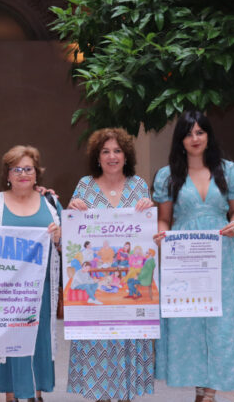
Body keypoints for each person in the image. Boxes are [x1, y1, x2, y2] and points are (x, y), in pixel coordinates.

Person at [152, 111, 234, 402]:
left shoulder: (229, 170)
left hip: (221, 254)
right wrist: (163, 235)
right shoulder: (168, 175)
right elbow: (164, 218)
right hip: (184, 257)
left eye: (200, 132)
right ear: (180, 140)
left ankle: (209, 393)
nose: (195, 138)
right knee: (189, 320)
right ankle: (199, 389)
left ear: (208, 135)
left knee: (220, 320)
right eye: (188, 133)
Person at [65, 127, 155, 402]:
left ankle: (125, 396)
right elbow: (71, 229)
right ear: (97, 157)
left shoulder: (139, 186)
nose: (112, 156)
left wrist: (149, 209)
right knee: (98, 341)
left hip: (128, 293)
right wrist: (72, 209)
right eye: (105, 151)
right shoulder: (85, 186)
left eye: (117, 151)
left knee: (128, 336)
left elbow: (147, 232)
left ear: (126, 156)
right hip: (97, 291)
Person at [0, 145, 61, 402]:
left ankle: (36, 395)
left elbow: (68, 245)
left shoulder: (51, 203)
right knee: (10, 341)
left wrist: (59, 238)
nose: (23, 174)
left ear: (37, 173)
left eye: (28, 169)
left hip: (41, 288)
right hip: (7, 291)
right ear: (8, 174)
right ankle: (11, 396)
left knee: (38, 341)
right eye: (17, 169)